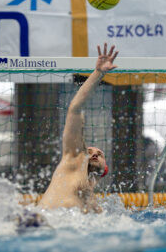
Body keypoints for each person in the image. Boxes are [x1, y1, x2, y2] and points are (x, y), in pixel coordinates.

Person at [38, 43, 118, 213]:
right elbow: (74, 108)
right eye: (90, 151)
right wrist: (98, 73)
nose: (94, 153)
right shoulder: (74, 157)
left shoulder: (94, 207)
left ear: (105, 169)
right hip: (38, 223)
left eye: (100, 154)